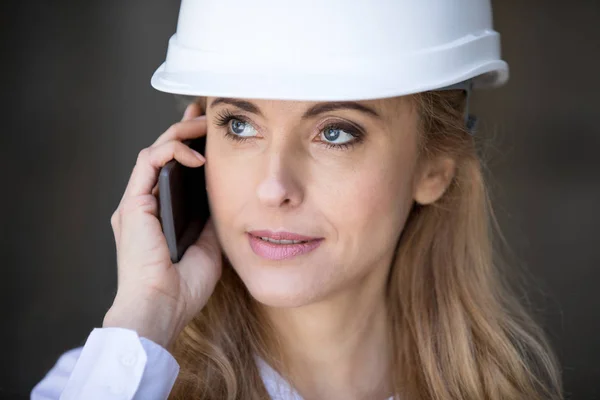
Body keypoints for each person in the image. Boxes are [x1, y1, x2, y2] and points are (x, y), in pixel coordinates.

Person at [32, 1, 564, 399]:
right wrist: (146, 318)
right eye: (240, 125)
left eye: (335, 133)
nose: (273, 187)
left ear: (434, 170)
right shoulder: (103, 380)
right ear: (195, 141)